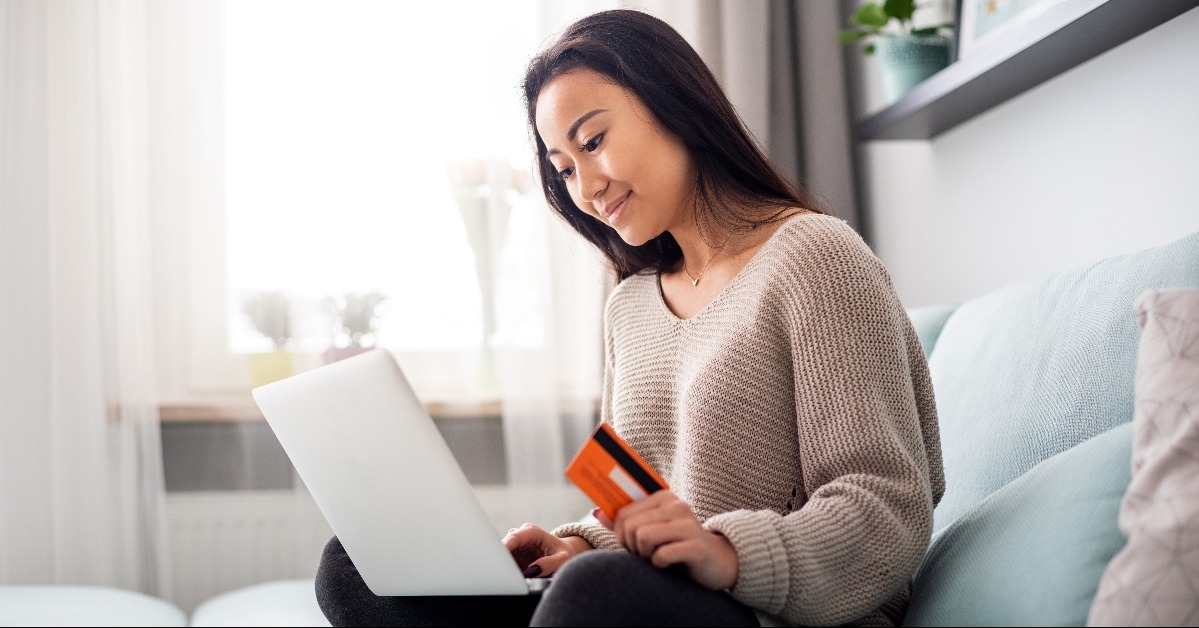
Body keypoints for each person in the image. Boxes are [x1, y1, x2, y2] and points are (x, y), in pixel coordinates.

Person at [315, 9, 943, 627]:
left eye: (592, 142)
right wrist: (580, 546)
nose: (584, 186)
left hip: (771, 612)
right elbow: (628, 505)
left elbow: (885, 506)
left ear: (675, 105)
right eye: (563, 168)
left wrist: (725, 553)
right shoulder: (630, 307)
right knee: (357, 568)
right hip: (645, 597)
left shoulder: (815, 259)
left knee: (597, 595)